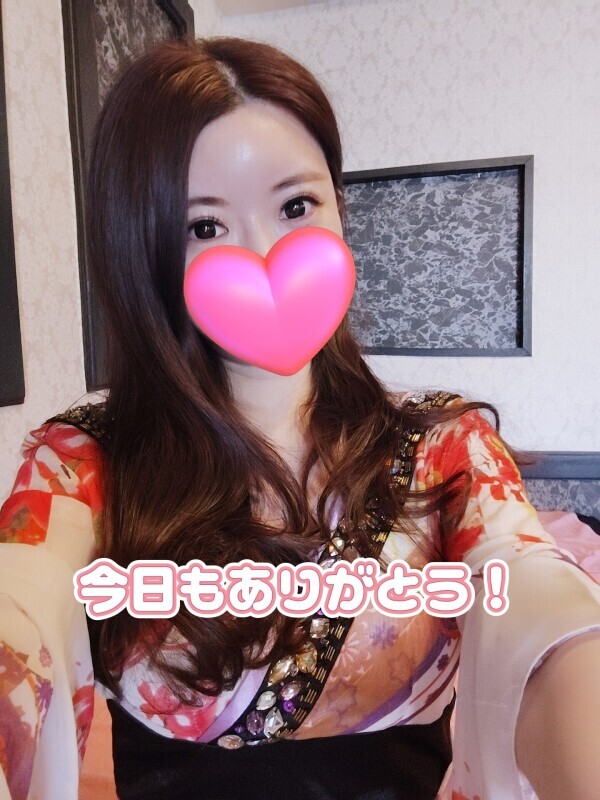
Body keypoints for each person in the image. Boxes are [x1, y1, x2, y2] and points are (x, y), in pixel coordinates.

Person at [0, 36, 599, 800]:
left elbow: (537, 602)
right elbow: (21, 596)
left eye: (295, 206)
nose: (262, 254)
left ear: (339, 212)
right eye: (203, 227)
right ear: (141, 247)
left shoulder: (444, 446)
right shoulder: (83, 462)